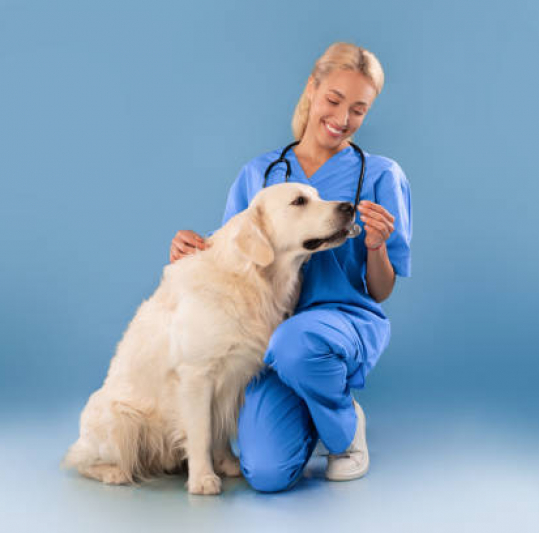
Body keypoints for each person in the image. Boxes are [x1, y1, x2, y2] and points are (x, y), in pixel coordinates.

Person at [168, 42, 412, 492]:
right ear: (312, 89)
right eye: (334, 100)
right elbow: (231, 259)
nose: (342, 119)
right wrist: (189, 249)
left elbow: (382, 290)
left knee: (297, 343)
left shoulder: (380, 176)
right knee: (264, 473)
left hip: (340, 322)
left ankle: (344, 430)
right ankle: (314, 403)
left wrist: (376, 247)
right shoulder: (260, 175)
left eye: (359, 109)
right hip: (266, 337)